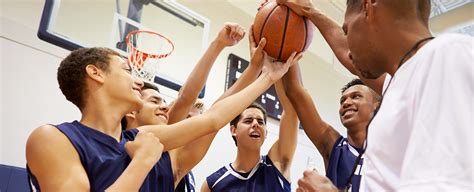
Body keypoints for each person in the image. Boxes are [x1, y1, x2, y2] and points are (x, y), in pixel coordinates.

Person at [26, 35, 302, 191]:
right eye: (126, 70)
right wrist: (142, 162)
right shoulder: (52, 138)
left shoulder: (146, 136)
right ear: (95, 73)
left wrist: (266, 76)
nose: (136, 80)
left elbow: (213, 119)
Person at [278, 0, 473, 191]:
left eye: (347, 31)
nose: (350, 50)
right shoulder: (402, 79)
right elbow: (347, 54)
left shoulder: (446, 56)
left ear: (368, 7)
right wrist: (307, 14)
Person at [123, 23, 275, 191]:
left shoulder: (173, 158)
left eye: (164, 102)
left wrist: (254, 68)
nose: (165, 108)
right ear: (131, 110)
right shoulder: (109, 145)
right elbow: (185, 98)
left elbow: (213, 114)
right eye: (154, 101)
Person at [282, 61, 380, 191]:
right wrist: (290, 51)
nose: (346, 103)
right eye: (342, 100)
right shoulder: (334, 145)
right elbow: (295, 91)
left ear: (377, 106)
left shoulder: (392, 151)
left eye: (356, 97)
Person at [202, 78, 299, 192]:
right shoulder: (213, 184)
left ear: (266, 133)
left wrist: (277, 72)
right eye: (248, 120)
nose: (255, 124)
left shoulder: (277, 165)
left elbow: (291, 110)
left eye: (260, 122)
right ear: (234, 130)